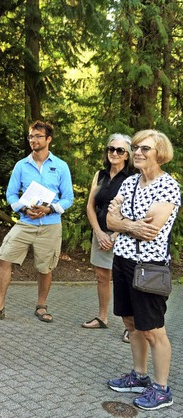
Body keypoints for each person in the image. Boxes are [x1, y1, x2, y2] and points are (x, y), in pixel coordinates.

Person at [106, 130, 179, 411]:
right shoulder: (129, 183)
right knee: (130, 322)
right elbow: (110, 220)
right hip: (122, 260)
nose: (137, 152)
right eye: (135, 147)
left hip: (150, 266)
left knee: (153, 330)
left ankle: (162, 390)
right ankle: (139, 376)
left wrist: (123, 221)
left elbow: (151, 230)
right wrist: (128, 224)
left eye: (144, 148)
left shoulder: (168, 186)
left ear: (159, 152)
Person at [0, 121, 74, 322]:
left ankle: (41, 306)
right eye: (30, 136)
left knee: (46, 268)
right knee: (4, 257)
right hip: (25, 222)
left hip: (51, 224)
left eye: (37, 136)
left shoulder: (60, 166)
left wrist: (50, 209)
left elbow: (68, 198)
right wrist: (24, 208)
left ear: (48, 139)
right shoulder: (21, 165)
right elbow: (11, 194)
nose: (33, 140)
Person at [82, 134, 132, 342]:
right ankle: (103, 317)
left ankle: (131, 325)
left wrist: (115, 234)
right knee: (102, 277)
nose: (114, 153)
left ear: (127, 155)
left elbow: (135, 211)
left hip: (123, 236)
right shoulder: (100, 175)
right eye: (111, 149)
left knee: (125, 279)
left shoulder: (132, 178)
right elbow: (90, 206)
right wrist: (99, 232)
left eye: (120, 150)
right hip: (100, 233)